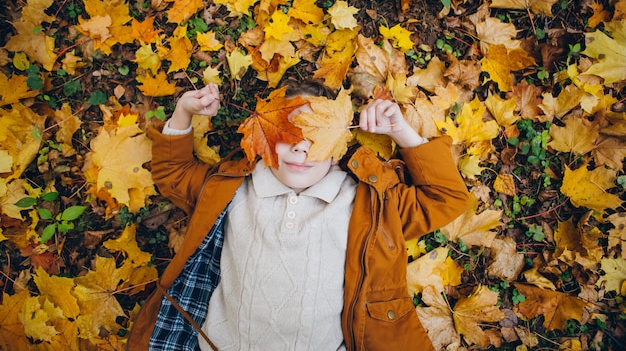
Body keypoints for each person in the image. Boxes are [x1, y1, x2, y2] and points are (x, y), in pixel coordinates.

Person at [127, 79, 471, 351]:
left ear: (338, 148)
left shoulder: (368, 204)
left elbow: (446, 199)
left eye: (315, 138)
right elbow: (174, 174)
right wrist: (184, 112)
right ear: (263, 138)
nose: (300, 148)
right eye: (287, 133)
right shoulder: (231, 188)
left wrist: (401, 131)